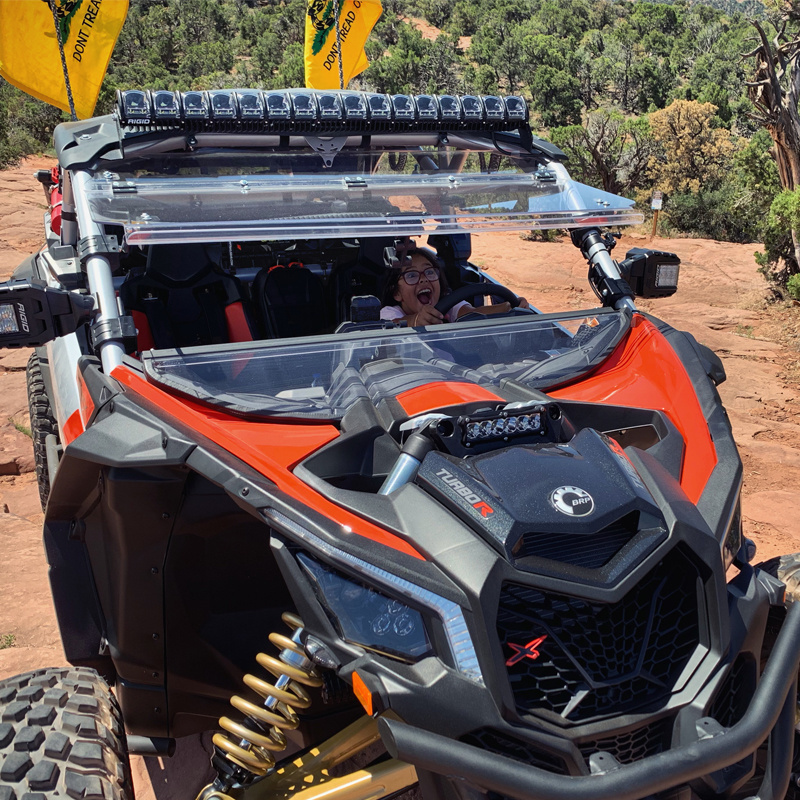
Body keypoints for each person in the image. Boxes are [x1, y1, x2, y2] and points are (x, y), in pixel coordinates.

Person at [380, 248, 529, 327]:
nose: (423, 279)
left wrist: (510, 307)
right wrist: (416, 321)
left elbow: (474, 314)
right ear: (396, 292)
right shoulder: (390, 313)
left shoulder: (450, 305)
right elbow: (392, 325)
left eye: (430, 272)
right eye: (411, 275)